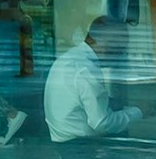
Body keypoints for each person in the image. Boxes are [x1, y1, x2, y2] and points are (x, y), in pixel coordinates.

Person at [42, 18, 144, 148]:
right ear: (106, 43)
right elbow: (102, 123)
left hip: (65, 141)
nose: (121, 54)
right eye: (120, 47)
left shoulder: (71, 58)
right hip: (82, 147)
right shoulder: (86, 70)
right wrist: (139, 111)